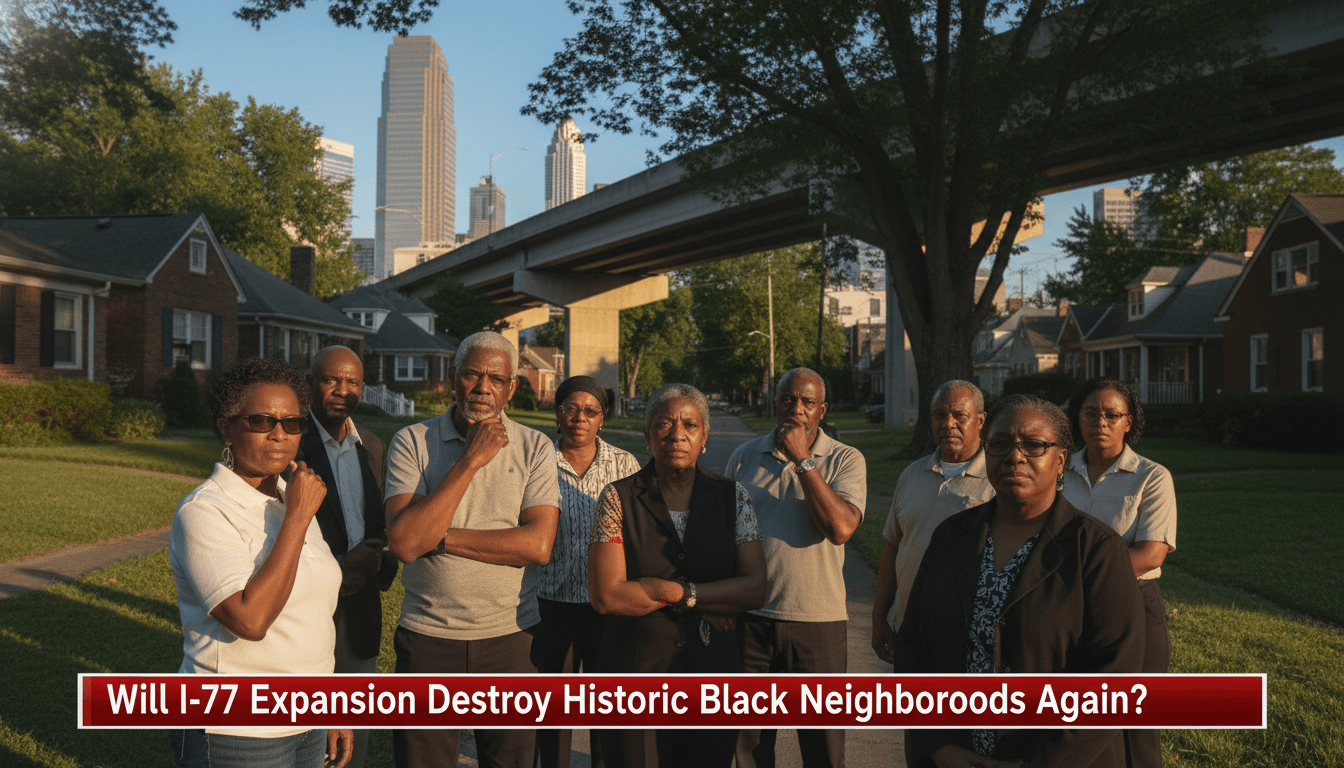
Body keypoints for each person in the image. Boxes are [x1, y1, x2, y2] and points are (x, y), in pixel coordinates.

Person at [893, 394, 1145, 768]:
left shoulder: (1096, 549)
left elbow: (1114, 678)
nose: (1014, 456)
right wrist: (938, 745)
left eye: (1033, 445)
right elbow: (913, 646)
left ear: (1060, 460)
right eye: (999, 444)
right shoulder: (951, 536)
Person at [384, 331, 561, 768]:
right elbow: (405, 543)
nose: (483, 387)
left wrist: (440, 537)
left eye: (496, 379)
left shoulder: (535, 447)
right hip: (428, 638)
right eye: (472, 375)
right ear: (453, 377)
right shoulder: (411, 442)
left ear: (511, 387)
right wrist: (470, 460)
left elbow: (537, 545)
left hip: (511, 639)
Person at [168, 357, 353, 768]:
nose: (279, 434)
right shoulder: (204, 511)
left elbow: (315, 615)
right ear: (226, 428)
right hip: (236, 727)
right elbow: (250, 620)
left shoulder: (292, 495)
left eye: (292, 423)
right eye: (260, 421)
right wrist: (300, 517)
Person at [589, 383, 767, 768]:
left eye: (690, 425)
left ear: (705, 437)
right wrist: (716, 597)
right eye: (665, 424)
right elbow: (607, 596)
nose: (677, 434)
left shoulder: (733, 497)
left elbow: (755, 587)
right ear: (647, 433)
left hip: (713, 675)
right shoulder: (617, 497)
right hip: (634, 672)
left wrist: (676, 592)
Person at [725, 368, 866, 768]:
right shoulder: (743, 457)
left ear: (823, 410)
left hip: (817, 622)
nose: (797, 409)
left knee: (823, 749)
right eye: (788, 399)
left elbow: (840, 528)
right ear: (775, 403)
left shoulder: (844, 459)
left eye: (808, 402)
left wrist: (803, 459)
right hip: (751, 620)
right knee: (749, 748)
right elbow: (725, 538)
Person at [1064, 378, 1177, 768]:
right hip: (1068, 609)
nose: (1102, 421)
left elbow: (1151, 554)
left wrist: (1078, 574)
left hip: (1133, 605)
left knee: (1137, 723)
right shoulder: (1058, 471)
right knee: (1083, 720)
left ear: (1129, 422)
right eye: (1091, 413)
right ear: (1077, 419)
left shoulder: (1152, 476)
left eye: (1113, 414)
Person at [295, 346, 396, 768]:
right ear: (310, 383)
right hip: (300, 614)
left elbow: (387, 523)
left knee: (352, 745)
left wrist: (377, 563)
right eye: (330, 380)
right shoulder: (289, 445)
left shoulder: (373, 448)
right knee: (305, 735)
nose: (342, 390)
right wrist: (340, 568)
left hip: (359, 614)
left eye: (352, 382)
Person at [535, 375, 641, 768]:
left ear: (603, 418)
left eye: (591, 411)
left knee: (606, 707)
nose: (580, 418)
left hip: (606, 605)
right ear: (558, 413)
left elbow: (636, 530)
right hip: (550, 602)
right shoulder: (537, 458)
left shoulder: (623, 463)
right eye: (571, 409)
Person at [871, 381, 994, 664]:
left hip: (969, 639)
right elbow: (892, 549)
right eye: (939, 415)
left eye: (959, 415)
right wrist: (880, 618)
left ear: (980, 420)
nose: (948, 423)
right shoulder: (912, 474)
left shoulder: (997, 479)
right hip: (909, 634)